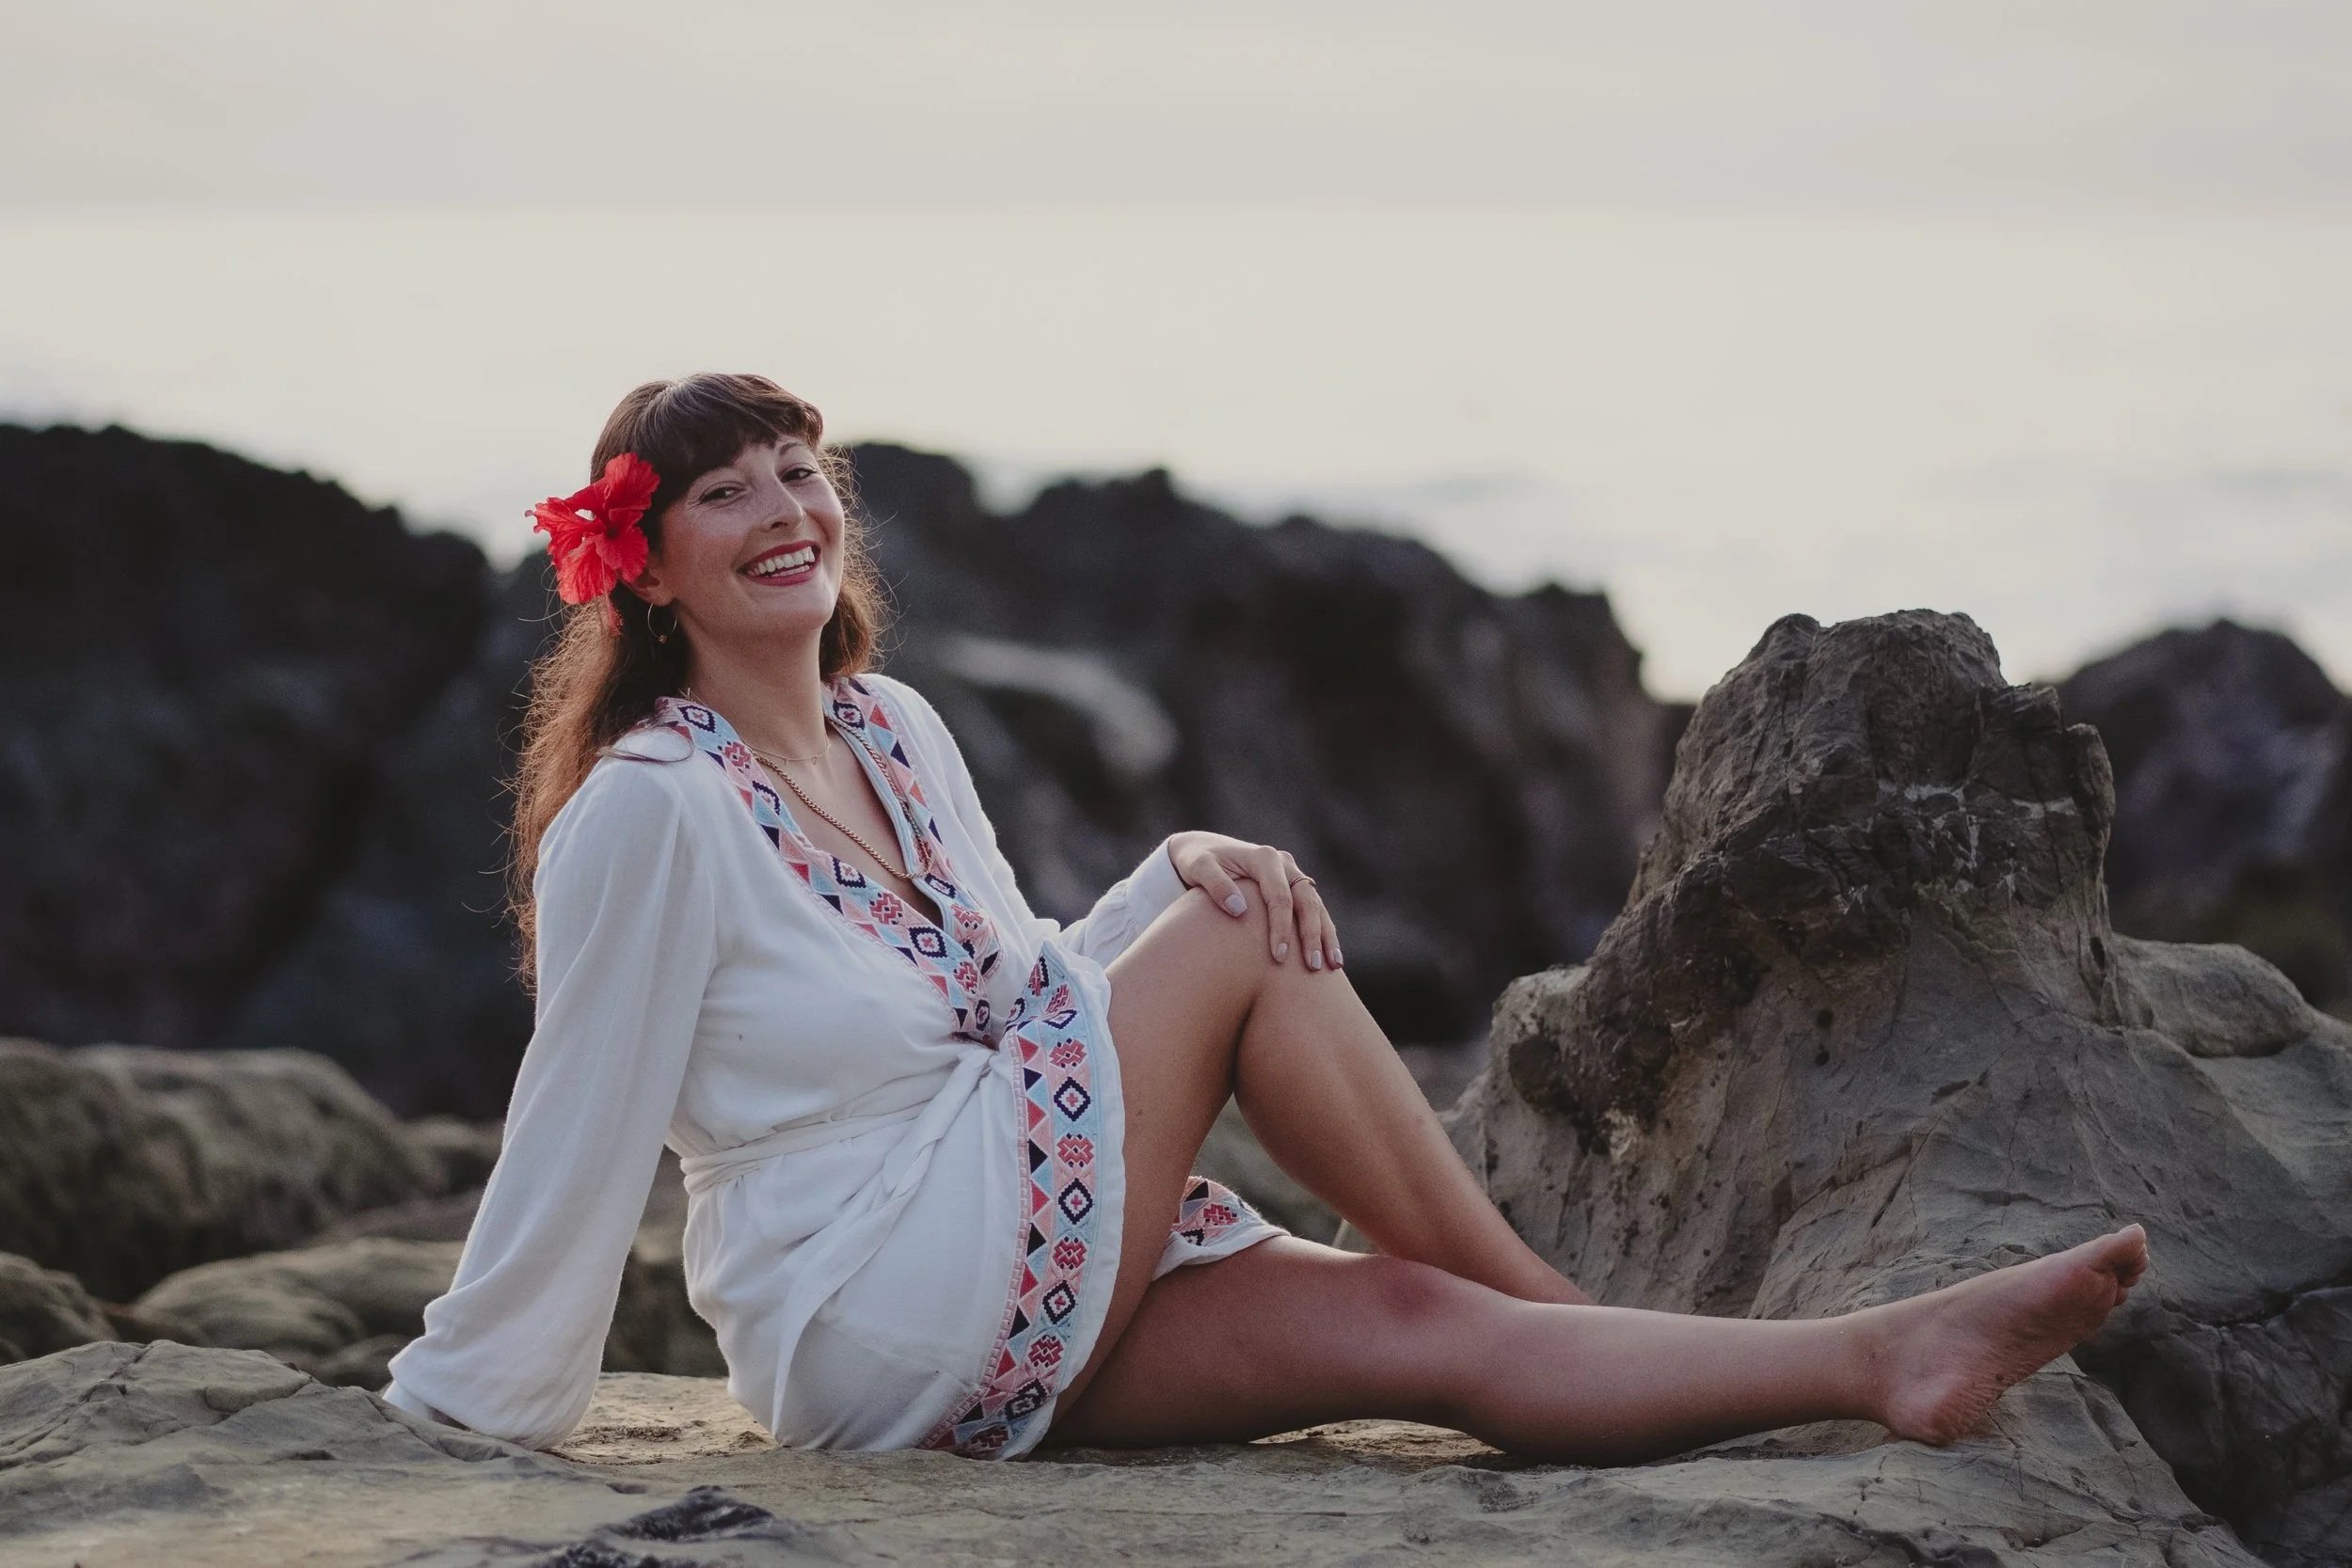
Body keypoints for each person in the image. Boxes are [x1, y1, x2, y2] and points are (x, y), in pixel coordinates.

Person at [380, 372, 2150, 1465]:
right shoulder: (649, 808)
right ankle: (1554, 1288)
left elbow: (1024, 996)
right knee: (1253, 948)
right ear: (649, 567)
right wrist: (470, 1405)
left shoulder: (895, 735)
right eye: (723, 492)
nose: (784, 511)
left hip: (1001, 1213)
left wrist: (1170, 875)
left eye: (798, 469)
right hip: (864, 1298)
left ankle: (1874, 1366)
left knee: (1412, 1332)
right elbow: (578, 1126)